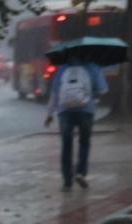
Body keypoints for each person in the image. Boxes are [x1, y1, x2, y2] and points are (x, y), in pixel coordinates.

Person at [45, 58, 109, 190]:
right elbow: (103, 90)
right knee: (84, 142)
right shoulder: (92, 66)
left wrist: (49, 114)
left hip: (65, 111)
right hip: (86, 110)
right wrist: (93, 92)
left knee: (66, 145)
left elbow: (55, 93)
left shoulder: (62, 68)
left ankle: (67, 182)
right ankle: (80, 172)